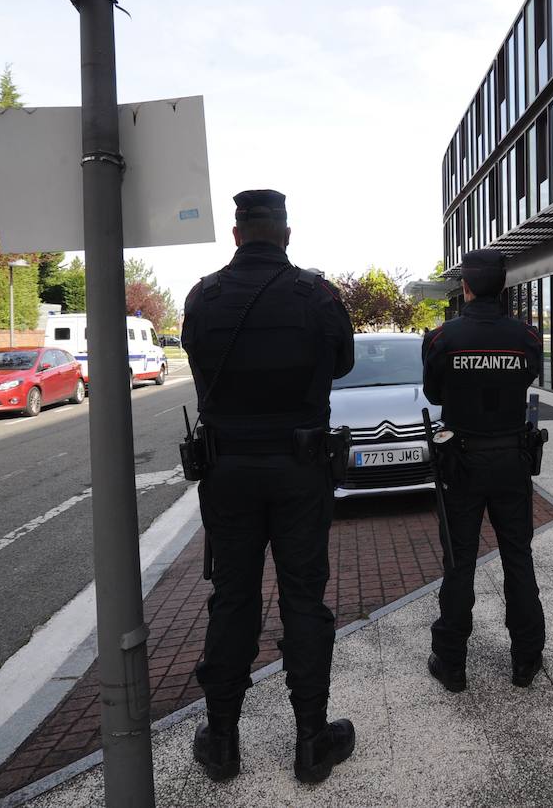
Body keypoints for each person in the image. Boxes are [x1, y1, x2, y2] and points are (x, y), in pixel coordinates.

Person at [180, 188, 356, 784]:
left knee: (233, 598)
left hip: (228, 474)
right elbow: (344, 364)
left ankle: (223, 740)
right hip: (299, 471)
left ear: (237, 235)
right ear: (285, 233)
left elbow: (198, 360)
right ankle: (311, 740)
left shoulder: (203, 296)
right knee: (303, 599)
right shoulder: (317, 295)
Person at [420, 248, 546, 692]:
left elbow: (435, 396)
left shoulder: (442, 339)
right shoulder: (527, 337)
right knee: (518, 557)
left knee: (459, 562)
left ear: (466, 288)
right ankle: (526, 659)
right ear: (504, 287)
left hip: (462, 461)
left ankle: (452, 662)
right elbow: (525, 378)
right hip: (512, 459)